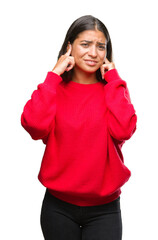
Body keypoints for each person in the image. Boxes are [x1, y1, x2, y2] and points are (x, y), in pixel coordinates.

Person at [21, 15, 137, 240]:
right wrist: (54, 75)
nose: (93, 53)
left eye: (101, 46)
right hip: (58, 208)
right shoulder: (53, 90)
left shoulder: (114, 90)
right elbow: (33, 126)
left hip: (105, 209)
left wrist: (113, 79)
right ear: (69, 47)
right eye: (85, 44)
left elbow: (124, 130)